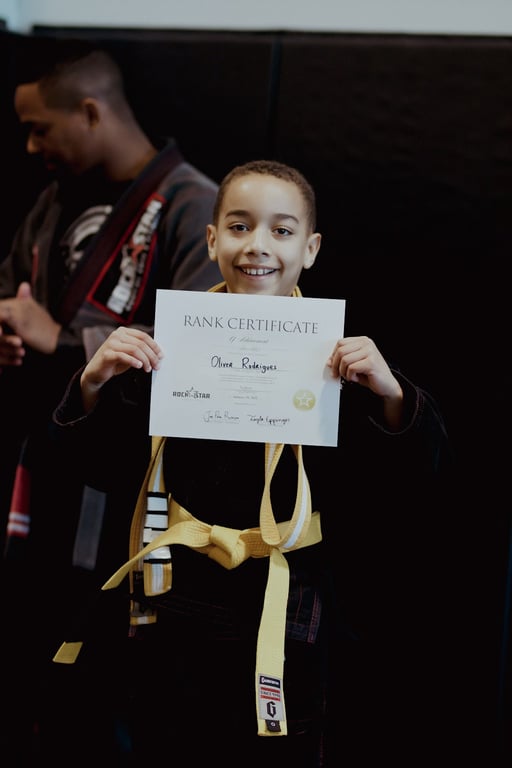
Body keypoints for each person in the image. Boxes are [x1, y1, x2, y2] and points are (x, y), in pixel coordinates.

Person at [45, 159, 451, 766]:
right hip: (172, 612)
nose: (258, 245)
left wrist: (392, 397)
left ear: (310, 249)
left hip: (285, 620)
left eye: (282, 231)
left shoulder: (342, 364)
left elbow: (414, 482)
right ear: (212, 240)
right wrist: (92, 382)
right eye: (239, 226)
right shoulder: (163, 352)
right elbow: (91, 469)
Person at [0, 40, 221, 766]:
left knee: (116, 688)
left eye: (40, 128)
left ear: (91, 112)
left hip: (135, 493)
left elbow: (200, 346)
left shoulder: (194, 204)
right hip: (47, 471)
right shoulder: (55, 199)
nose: (31, 146)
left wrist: (63, 341)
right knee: (42, 679)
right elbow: (12, 292)